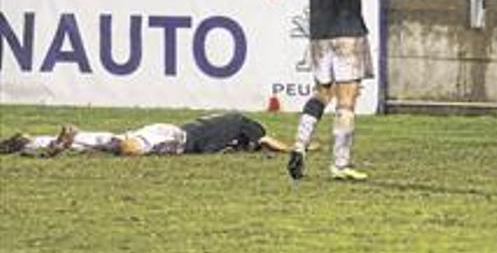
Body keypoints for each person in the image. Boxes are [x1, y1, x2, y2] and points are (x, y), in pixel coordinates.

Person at [269, 0, 453, 182]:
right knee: (346, 100)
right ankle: (339, 165)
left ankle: (299, 145)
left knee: (321, 92)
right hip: (348, 31)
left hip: (318, 33)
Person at [0, 112, 290, 157]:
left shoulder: (228, 120)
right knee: (129, 149)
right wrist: (295, 149)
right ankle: (70, 138)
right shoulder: (246, 125)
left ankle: (29, 141)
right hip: (177, 138)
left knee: (114, 144)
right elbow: (267, 141)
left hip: (170, 131)